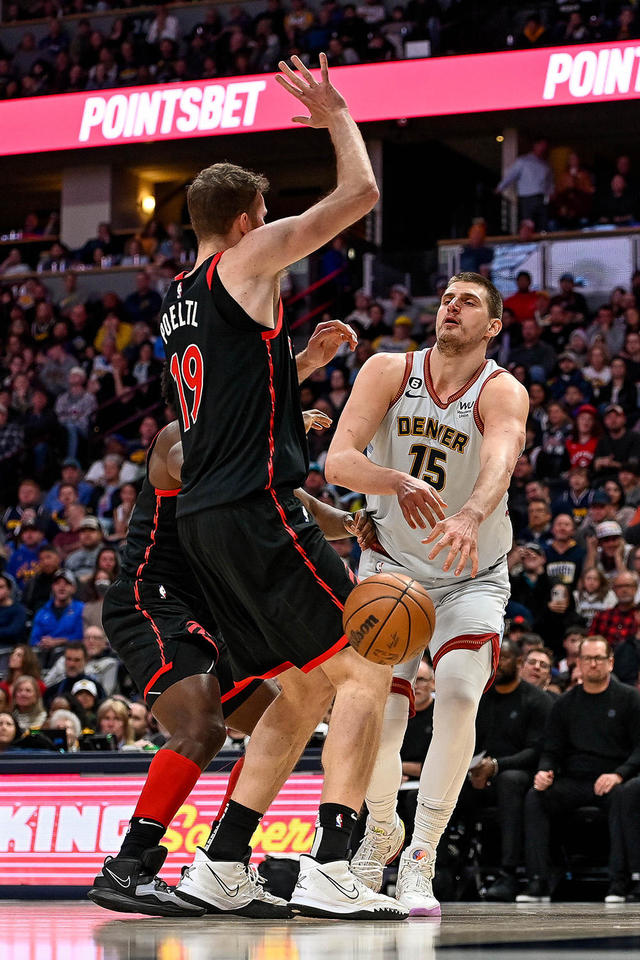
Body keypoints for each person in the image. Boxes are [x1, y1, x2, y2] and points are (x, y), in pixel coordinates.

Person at [163, 55, 406, 921]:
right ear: (244, 221)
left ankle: (222, 860)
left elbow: (216, 416)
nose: (275, 231)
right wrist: (338, 115)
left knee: (301, 688)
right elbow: (360, 195)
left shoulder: (177, 300)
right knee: (368, 665)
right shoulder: (249, 255)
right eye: (266, 216)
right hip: (256, 509)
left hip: (203, 522)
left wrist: (296, 365)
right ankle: (337, 862)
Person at [91, 402, 376, 917]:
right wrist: (278, 420)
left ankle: (223, 865)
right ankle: (128, 865)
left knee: (280, 720)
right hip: (151, 600)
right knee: (204, 729)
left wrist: (354, 523)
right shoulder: (175, 438)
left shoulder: (248, 462)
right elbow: (190, 460)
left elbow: (297, 503)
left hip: (210, 614)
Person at [327, 270, 529, 915]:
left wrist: (468, 515)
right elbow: (338, 461)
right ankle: (380, 830)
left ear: (492, 325)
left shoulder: (502, 391)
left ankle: (423, 854)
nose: (450, 308)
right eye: (445, 298)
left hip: (471, 566)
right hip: (391, 566)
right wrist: (397, 482)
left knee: (463, 691)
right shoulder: (388, 369)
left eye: (467, 302)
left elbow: (502, 458)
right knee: (377, 707)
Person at [517, 636, 640, 903]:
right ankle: (538, 881)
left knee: (624, 795)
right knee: (536, 796)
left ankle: (619, 883)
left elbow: (638, 749)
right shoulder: (565, 703)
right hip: (574, 779)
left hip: (612, 778)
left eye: (598, 658)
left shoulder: (630, 699)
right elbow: (552, 748)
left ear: (610, 662)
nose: (592, 664)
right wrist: (545, 770)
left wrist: (619, 773)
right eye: (586, 658)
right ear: (579, 663)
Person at [456, 640, 552, 902]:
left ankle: (508, 873)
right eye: (495, 659)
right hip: (480, 774)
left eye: (505, 658)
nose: (497, 665)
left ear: (519, 664)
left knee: (510, 782)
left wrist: (496, 766)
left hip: (521, 774)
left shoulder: (537, 700)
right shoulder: (481, 699)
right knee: (443, 787)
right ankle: (444, 869)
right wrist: (474, 769)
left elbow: (537, 750)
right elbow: (469, 740)